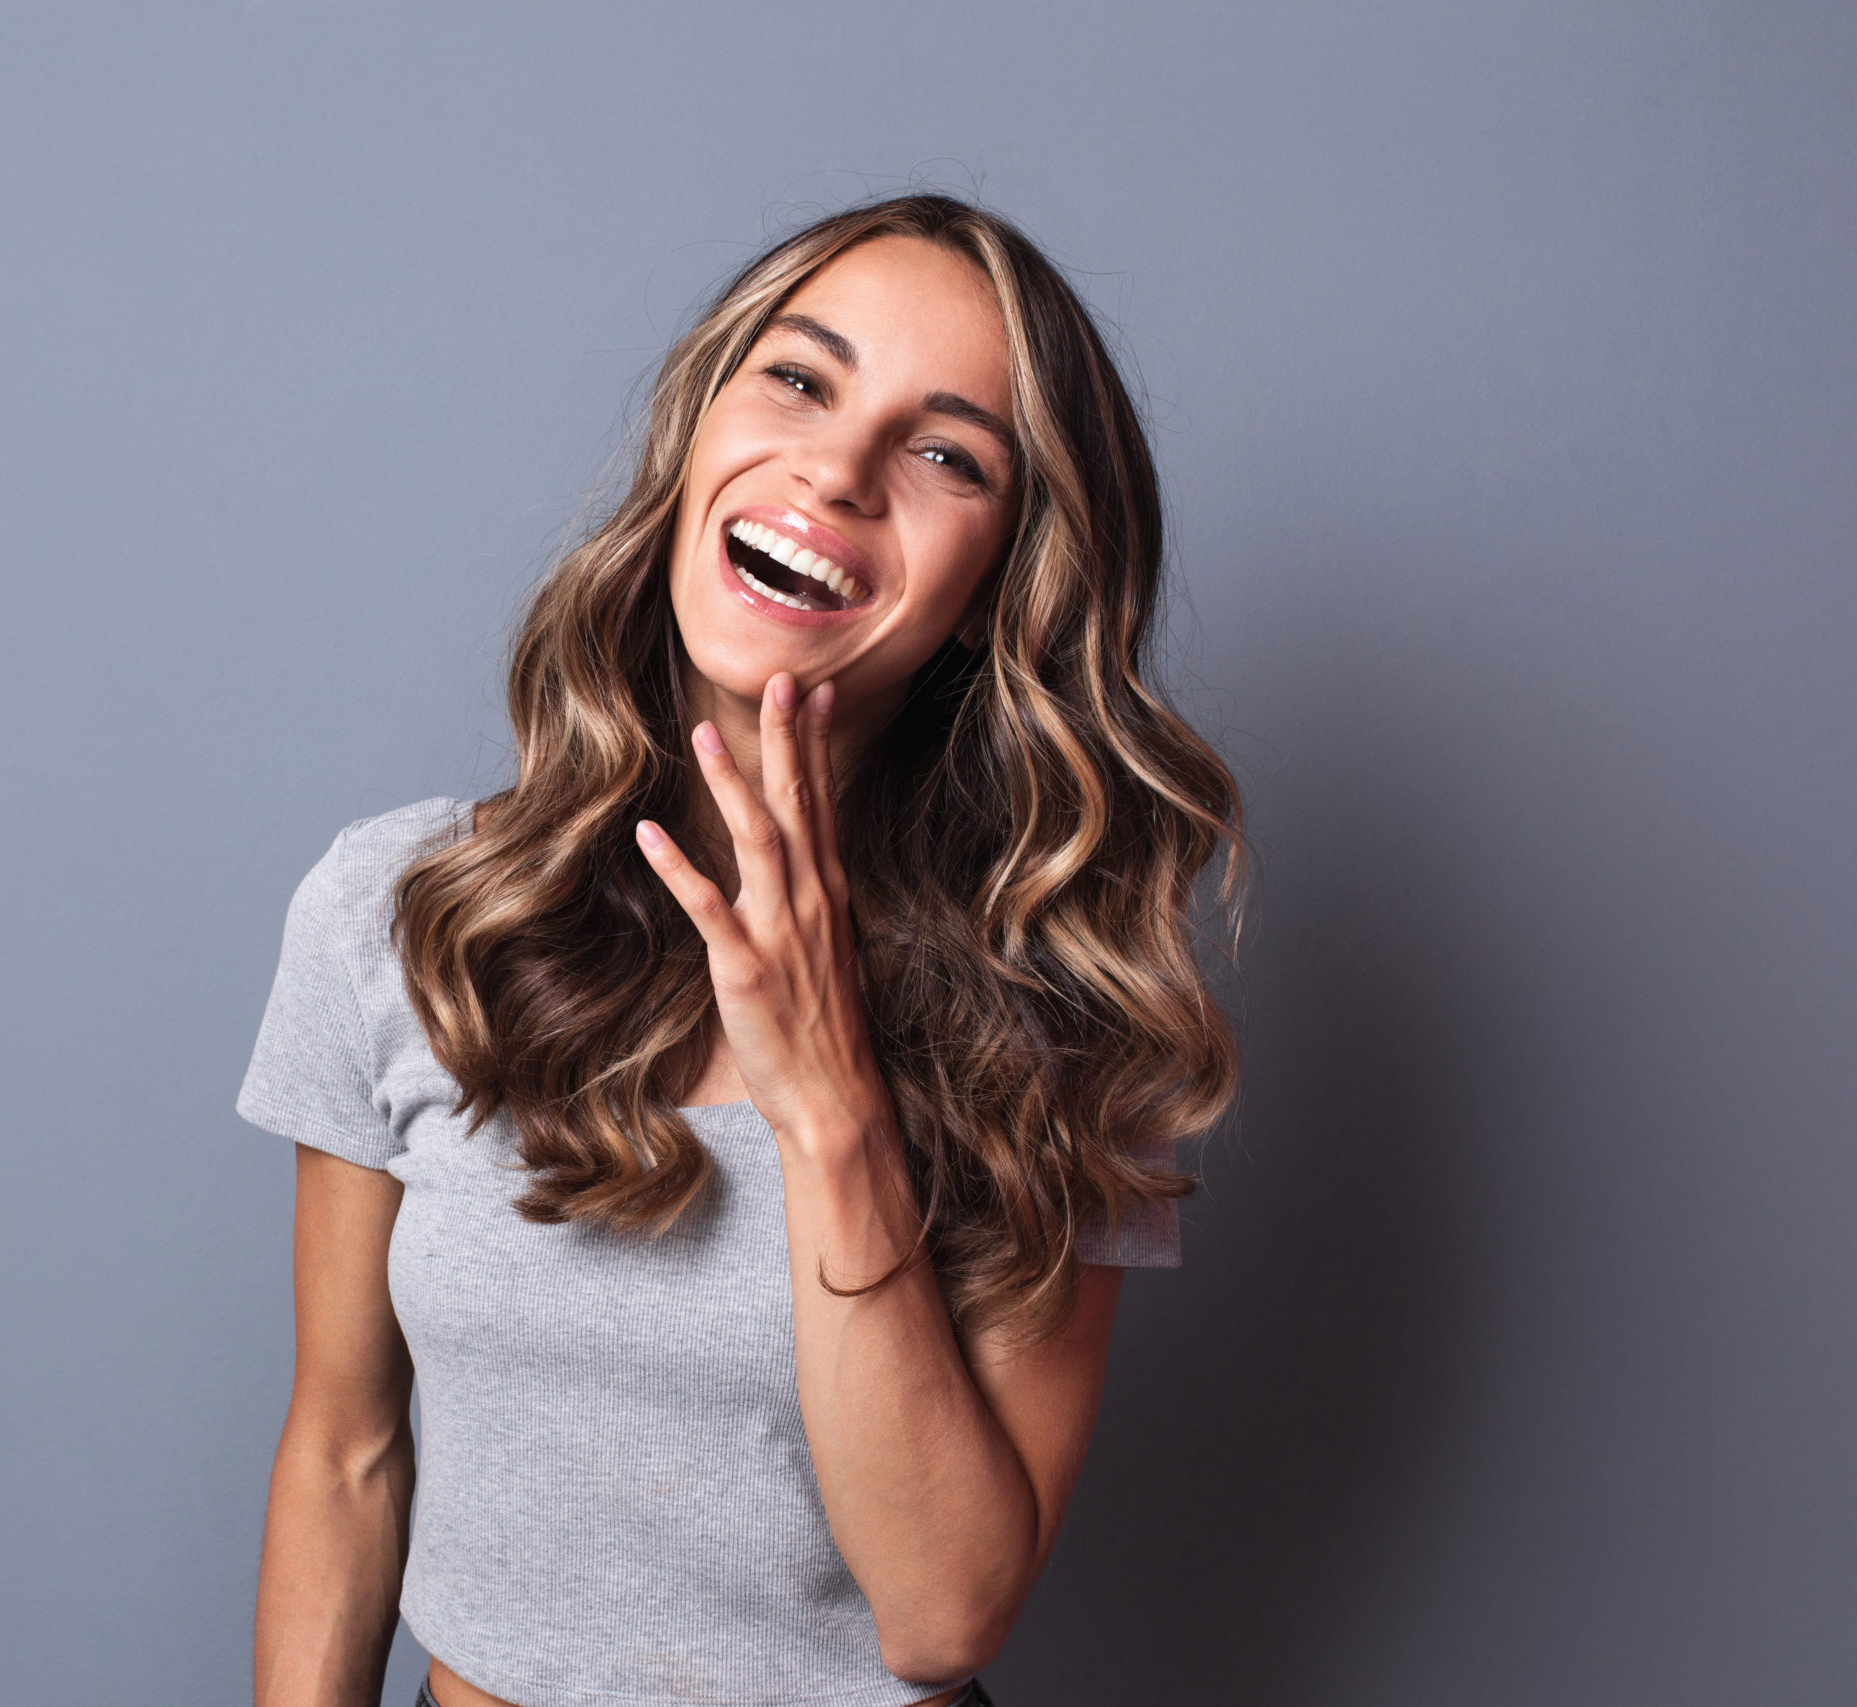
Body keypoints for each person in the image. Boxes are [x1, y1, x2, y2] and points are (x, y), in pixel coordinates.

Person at [237, 193, 1244, 1707]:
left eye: (945, 452)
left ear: (995, 590)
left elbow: (946, 1615)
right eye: (799, 378)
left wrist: (833, 1106)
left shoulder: (1066, 1013)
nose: (836, 468)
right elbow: (343, 1451)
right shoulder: (407, 914)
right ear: (699, 429)